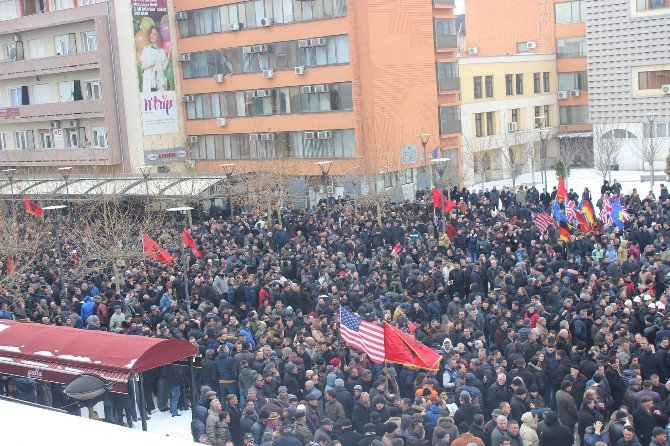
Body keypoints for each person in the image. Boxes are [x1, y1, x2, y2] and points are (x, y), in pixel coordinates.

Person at [140, 25, 170, 92]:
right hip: (148, 82)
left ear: (158, 37)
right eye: (151, 33)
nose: (152, 35)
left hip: (159, 82)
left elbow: (164, 68)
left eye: (154, 34)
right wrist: (150, 64)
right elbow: (142, 67)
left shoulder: (161, 51)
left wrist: (169, 55)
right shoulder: (146, 49)